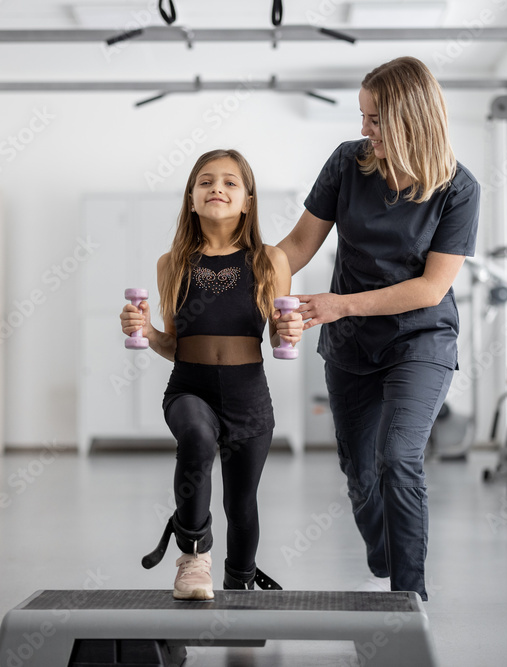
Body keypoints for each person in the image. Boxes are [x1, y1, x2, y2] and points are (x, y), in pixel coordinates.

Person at [276, 57, 480, 601]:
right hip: (350, 346)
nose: (364, 128)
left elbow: (430, 288)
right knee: (360, 471)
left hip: (420, 339)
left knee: (399, 456)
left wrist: (340, 305)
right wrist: (238, 275)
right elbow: (296, 247)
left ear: (413, 119)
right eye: (363, 115)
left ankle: (408, 595)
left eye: (376, 119)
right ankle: (388, 559)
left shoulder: (458, 189)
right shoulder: (349, 163)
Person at [120, 148, 302, 601]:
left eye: (229, 182)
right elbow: (172, 343)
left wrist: (293, 329)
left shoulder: (270, 260)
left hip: (249, 397)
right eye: (205, 181)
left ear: (247, 200)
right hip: (189, 389)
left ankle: (239, 580)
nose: (216, 188)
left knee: (241, 506)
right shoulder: (173, 264)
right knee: (197, 439)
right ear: (191, 197)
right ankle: (193, 556)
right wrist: (146, 330)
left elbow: (284, 333)